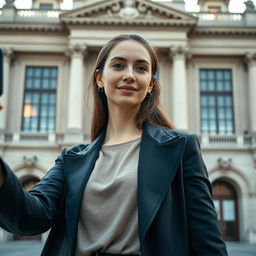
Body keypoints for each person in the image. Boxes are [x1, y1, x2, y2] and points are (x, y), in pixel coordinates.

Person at [0, 34, 228, 256]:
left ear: (151, 84)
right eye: (118, 65)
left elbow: (207, 241)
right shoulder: (72, 159)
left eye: (141, 68)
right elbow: (28, 217)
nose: (129, 75)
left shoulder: (181, 148)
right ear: (99, 78)